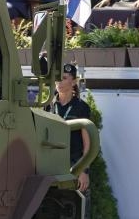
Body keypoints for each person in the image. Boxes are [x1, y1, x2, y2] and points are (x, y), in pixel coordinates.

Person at [46, 64, 91, 192]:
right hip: (51, 168)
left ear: (74, 82)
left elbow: (88, 144)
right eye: (57, 78)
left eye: (64, 78)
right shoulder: (48, 105)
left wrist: (84, 171)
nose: (59, 82)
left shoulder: (82, 107)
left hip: (74, 168)